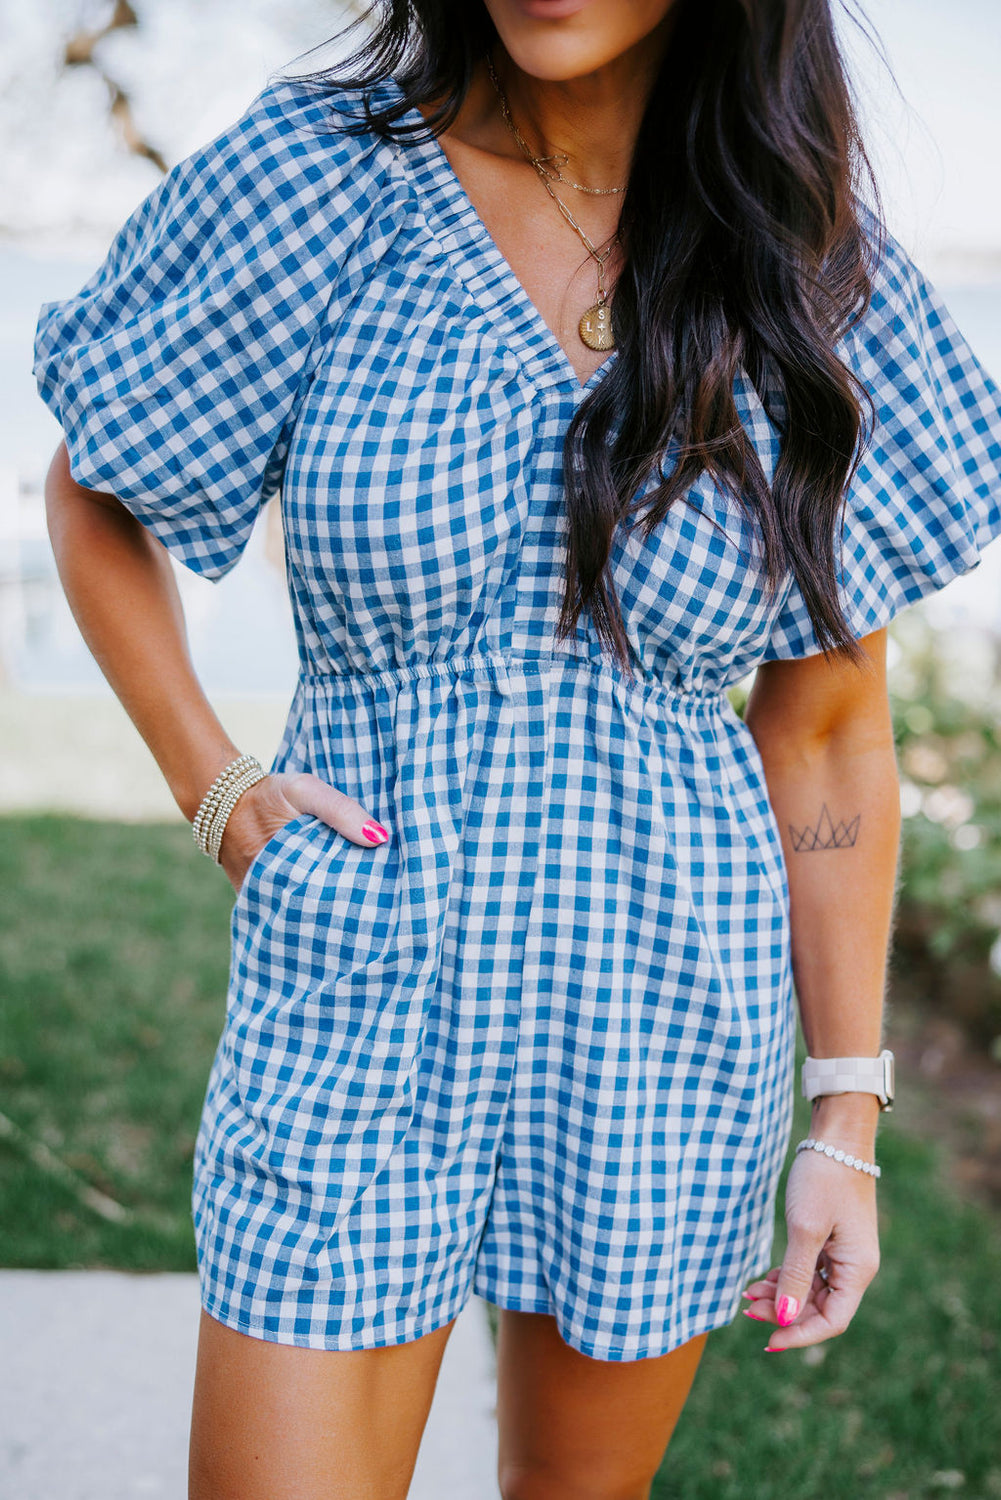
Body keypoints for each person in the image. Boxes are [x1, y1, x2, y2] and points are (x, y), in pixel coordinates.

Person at [32, 0, 1001, 1496]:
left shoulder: (801, 264)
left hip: (667, 1016)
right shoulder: (316, 182)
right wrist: (215, 787)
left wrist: (845, 1118)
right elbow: (96, 483)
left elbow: (822, 734)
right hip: (356, 990)